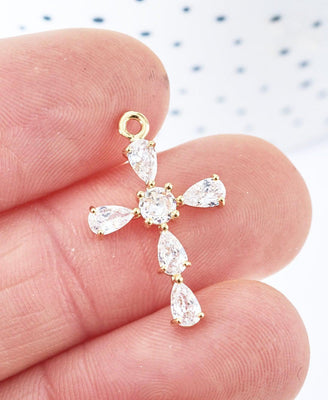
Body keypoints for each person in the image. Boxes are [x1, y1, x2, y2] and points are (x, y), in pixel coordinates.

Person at [0, 29, 311, 400]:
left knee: (181, 276)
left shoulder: (163, 197)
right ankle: (185, 310)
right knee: (178, 276)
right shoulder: (139, 201)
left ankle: (186, 310)